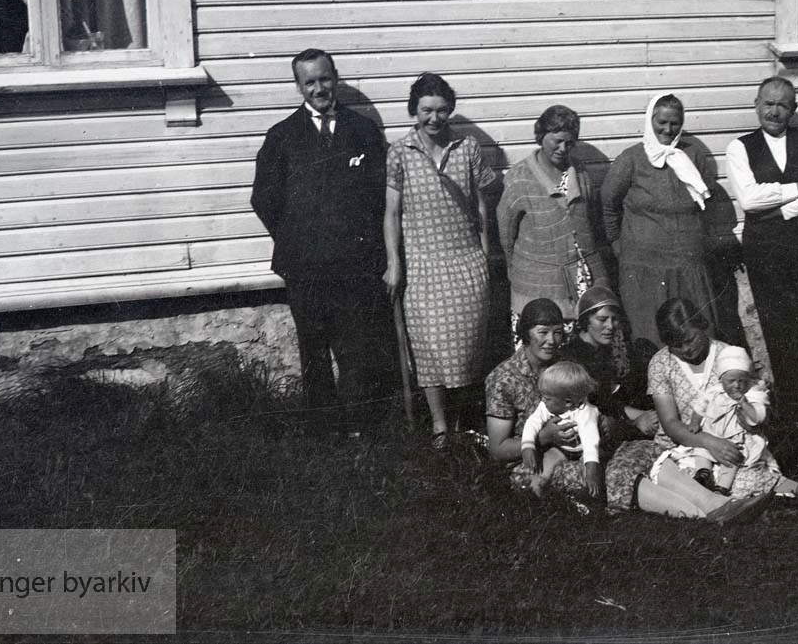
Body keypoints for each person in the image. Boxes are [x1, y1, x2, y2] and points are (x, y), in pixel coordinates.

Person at [487, 298, 771, 522]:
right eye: (542, 333)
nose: (551, 341)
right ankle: (705, 513)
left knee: (646, 450)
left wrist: (608, 424)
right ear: (525, 333)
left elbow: (595, 406)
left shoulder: (566, 363)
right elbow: (497, 449)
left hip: (585, 445)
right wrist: (546, 437)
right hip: (535, 462)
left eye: (558, 333)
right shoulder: (505, 378)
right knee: (613, 474)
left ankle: (717, 504)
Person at [250, 49, 396, 433]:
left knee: (357, 349)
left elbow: (382, 196)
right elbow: (263, 199)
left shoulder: (362, 130)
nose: (319, 88)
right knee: (314, 349)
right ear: (298, 86)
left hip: (356, 265)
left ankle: (361, 427)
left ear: (336, 78)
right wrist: (297, 239)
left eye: (325, 79)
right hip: (306, 267)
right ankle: (324, 430)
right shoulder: (281, 137)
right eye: (310, 82)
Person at [384, 73, 497, 443]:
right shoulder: (400, 152)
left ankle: (466, 419)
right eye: (426, 110)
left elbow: (481, 202)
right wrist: (394, 263)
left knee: (467, 346)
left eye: (442, 110)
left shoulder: (467, 147)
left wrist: (484, 252)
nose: (434, 118)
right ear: (413, 111)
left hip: (465, 261)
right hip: (423, 264)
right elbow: (391, 213)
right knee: (429, 348)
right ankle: (439, 424)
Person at [725, 76, 798, 406]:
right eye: (768, 103)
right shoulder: (739, 147)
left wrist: (785, 211)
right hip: (765, 251)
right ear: (756, 104)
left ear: (794, 109)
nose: (774, 111)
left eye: (782, 105)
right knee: (779, 328)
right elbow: (749, 200)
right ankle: (794, 408)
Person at [601, 93, 729, 348]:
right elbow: (607, 203)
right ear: (650, 120)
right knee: (651, 336)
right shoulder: (631, 159)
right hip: (644, 268)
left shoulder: (693, 156)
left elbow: (708, 200)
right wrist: (616, 243)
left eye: (675, 123)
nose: (668, 130)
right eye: (662, 122)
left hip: (688, 264)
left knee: (696, 331)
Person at [647, 297, 784, 500]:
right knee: (675, 474)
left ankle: (785, 490)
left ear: (702, 326)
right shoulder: (661, 363)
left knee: (737, 474)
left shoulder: (728, 355)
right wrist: (709, 442)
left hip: (732, 444)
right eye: (676, 345)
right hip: (683, 444)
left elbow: (753, 401)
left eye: (690, 340)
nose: (686, 349)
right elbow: (670, 423)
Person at [497, 105, 610, 330]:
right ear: (541, 136)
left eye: (569, 143)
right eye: (556, 141)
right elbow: (506, 232)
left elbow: (591, 225)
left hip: (579, 281)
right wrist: (514, 265)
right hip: (534, 282)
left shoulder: (579, 171)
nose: (562, 148)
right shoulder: (519, 178)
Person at [655, 344, 798, 498]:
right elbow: (700, 407)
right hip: (711, 434)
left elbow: (758, 417)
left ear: (748, 379)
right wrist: (694, 423)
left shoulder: (752, 393)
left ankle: (722, 488)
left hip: (737, 440)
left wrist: (744, 404)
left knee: (732, 460)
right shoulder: (715, 391)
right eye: (731, 381)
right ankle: (703, 473)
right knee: (701, 451)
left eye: (741, 381)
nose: (737, 386)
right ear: (721, 379)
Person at [560, 285, 657, 442]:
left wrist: (645, 415)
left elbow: (610, 403)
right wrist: (636, 422)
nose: (610, 326)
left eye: (614, 319)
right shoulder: (572, 357)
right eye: (602, 319)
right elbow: (592, 410)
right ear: (585, 321)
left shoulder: (604, 351)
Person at [520, 361, 602, 499]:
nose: (542, 401)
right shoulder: (546, 406)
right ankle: (534, 499)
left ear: (568, 402)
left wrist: (591, 468)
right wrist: (527, 445)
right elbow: (532, 422)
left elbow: (590, 442)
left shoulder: (586, 412)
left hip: (583, 451)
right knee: (542, 470)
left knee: (587, 476)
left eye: (547, 398)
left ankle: (588, 500)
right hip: (561, 449)